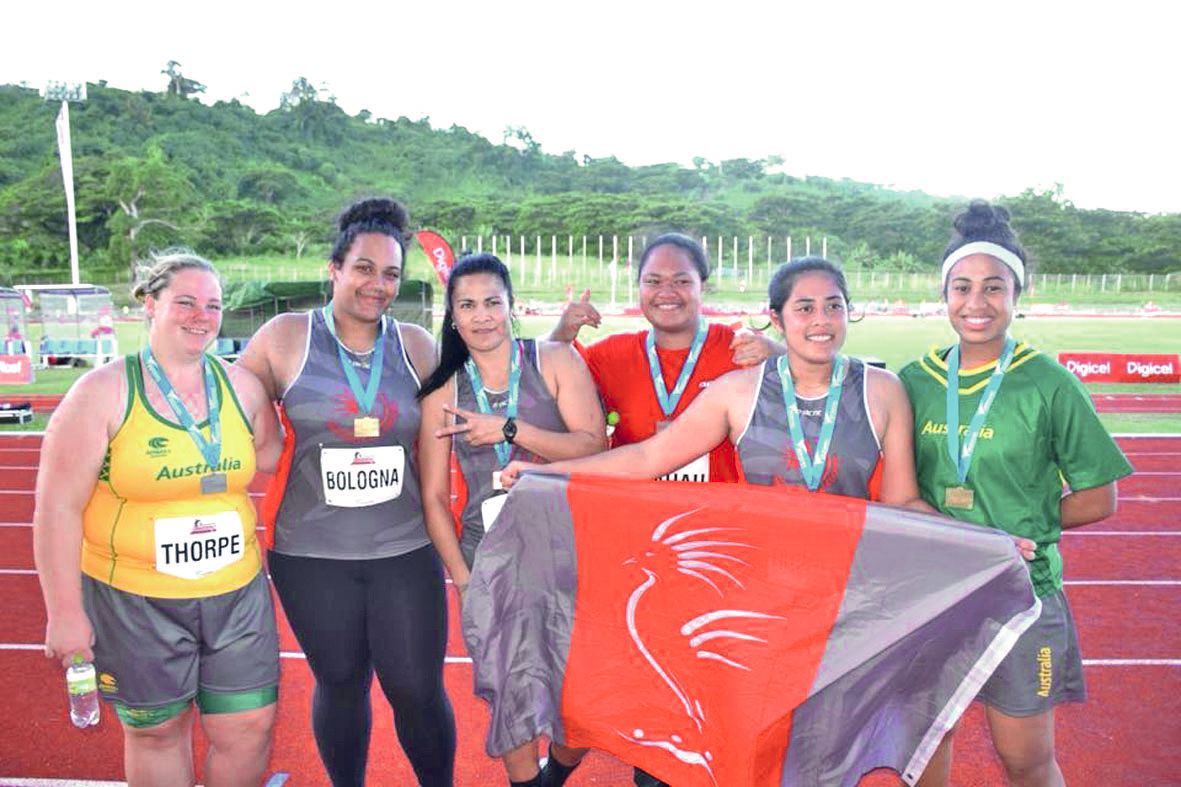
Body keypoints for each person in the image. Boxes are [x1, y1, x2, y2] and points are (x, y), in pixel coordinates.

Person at [903, 201, 1133, 787]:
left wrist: (1018, 533)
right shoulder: (913, 381)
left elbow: (1097, 497)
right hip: (933, 594)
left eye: (993, 287)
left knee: (1026, 762)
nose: (975, 303)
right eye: (962, 287)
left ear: (1016, 295)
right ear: (944, 293)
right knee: (925, 752)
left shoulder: (1050, 382)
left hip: (1020, 595)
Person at [34, 250, 282, 787]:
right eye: (185, 302)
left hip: (235, 593)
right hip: (134, 599)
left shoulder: (242, 388)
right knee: (157, 732)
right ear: (150, 305)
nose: (201, 316)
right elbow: (56, 510)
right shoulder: (99, 393)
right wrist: (64, 614)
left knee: (249, 725)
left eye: (213, 305)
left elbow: (268, 454)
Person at [237, 197, 456, 786]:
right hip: (309, 554)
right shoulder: (283, 337)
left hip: (404, 549)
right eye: (363, 268)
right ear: (334, 269)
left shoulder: (415, 346)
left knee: (415, 687)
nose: (377, 284)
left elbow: (479, 398)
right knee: (339, 682)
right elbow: (228, 414)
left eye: (390, 273)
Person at [417, 252, 607, 787]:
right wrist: (463, 576)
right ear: (452, 316)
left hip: (570, 548)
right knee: (510, 693)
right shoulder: (443, 391)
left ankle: (554, 778)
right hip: (490, 559)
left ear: (511, 306)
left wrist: (509, 430)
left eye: (492, 303)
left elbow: (594, 446)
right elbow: (433, 498)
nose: (481, 316)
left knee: (584, 694)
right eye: (467, 305)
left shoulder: (555, 360)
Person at [548, 232, 777, 488]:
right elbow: (540, 381)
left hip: (718, 514)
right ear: (639, 287)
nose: (666, 292)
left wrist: (776, 352)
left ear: (703, 285)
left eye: (681, 281)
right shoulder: (610, 355)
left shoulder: (740, 348)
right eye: (653, 281)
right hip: (636, 510)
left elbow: (811, 380)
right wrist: (561, 333)